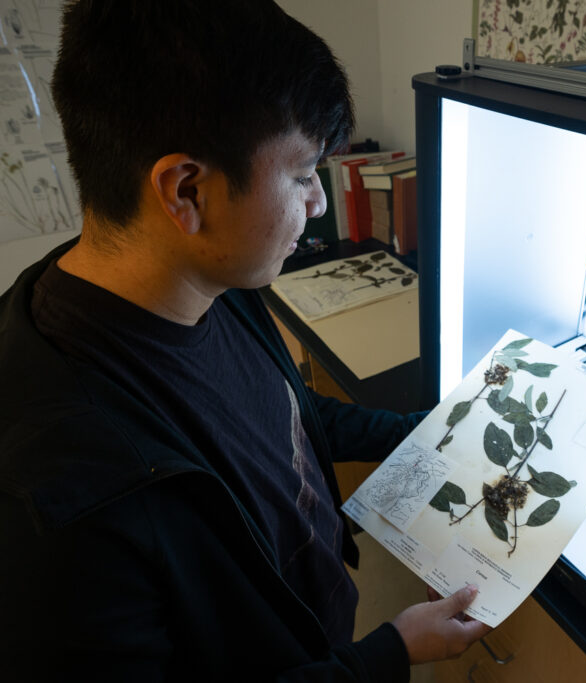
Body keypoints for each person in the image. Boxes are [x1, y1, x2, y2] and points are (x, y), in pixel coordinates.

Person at [0, 1, 489, 680]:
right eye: (300, 175)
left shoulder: (209, 280)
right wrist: (388, 656)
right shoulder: (61, 504)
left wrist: (421, 430)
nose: (317, 203)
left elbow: (284, 418)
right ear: (186, 191)